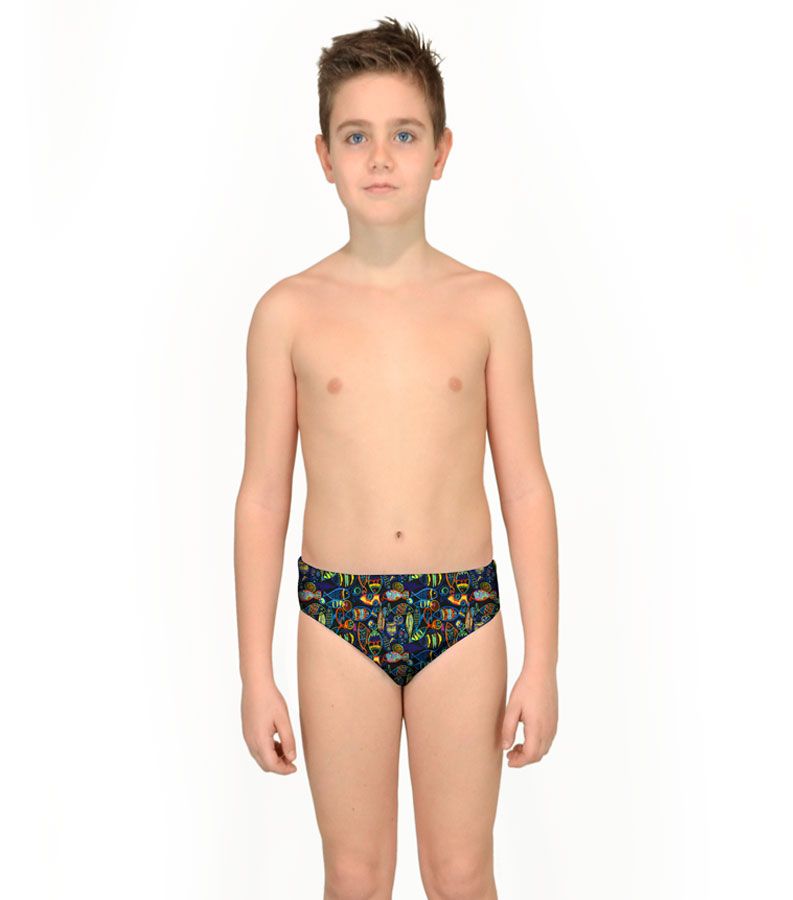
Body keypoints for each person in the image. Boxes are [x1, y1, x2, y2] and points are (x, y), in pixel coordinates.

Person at [234, 16, 559, 900]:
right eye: (356, 137)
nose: (380, 158)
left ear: (441, 151)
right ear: (323, 155)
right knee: (354, 876)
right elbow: (262, 497)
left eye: (404, 135)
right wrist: (255, 673)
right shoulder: (288, 313)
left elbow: (525, 489)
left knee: (460, 873)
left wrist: (541, 661)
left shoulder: (487, 306)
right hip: (337, 617)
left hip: (462, 615)